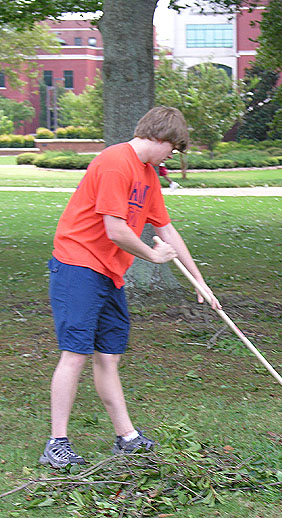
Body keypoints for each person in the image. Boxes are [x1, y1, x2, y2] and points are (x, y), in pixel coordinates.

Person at [40, 106, 221, 468]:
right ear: (158, 137)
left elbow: (166, 230)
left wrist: (199, 280)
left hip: (110, 273)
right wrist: (152, 258)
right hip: (78, 265)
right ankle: (56, 443)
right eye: (172, 147)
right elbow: (116, 230)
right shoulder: (115, 162)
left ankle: (127, 438)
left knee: (109, 356)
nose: (172, 155)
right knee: (75, 354)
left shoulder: (148, 175)